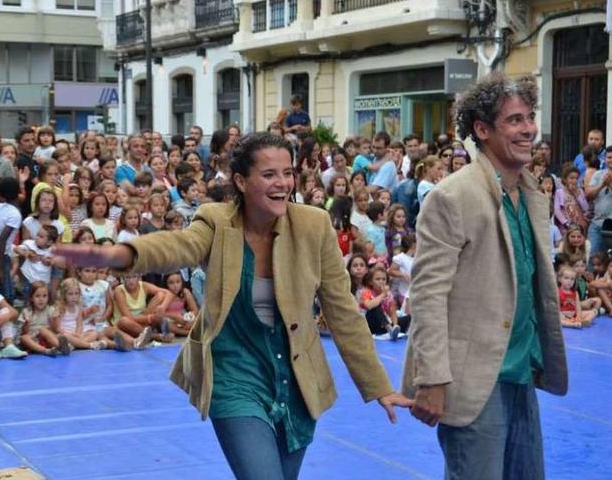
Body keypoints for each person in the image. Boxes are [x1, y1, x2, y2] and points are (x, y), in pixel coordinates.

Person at [56, 132, 411, 480]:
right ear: (241, 181)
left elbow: (343, 312)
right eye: (269, 174)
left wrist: (378, 384)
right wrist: (125, 255)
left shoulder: (314, 225)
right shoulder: (216, 221)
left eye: (287, 173)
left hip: (297, 380)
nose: (282, 183)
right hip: (234, 375)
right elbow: (178, 247)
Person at [402, 73, 567, 480]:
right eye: (514, 120)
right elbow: (428, 296)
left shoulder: (530, 193)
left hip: (521, 372)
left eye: (529, 117)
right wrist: (433, 379)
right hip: (472, 378)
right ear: (482, 129)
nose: (528, 128)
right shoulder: (452, 197)